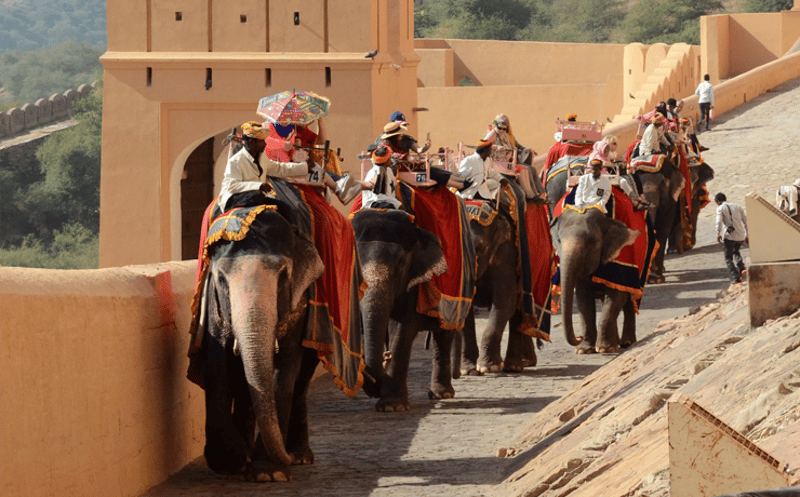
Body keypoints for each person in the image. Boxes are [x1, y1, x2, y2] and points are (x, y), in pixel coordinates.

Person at [218, 121, 309, 213]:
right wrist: (259, 186)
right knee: (258, 195)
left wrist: (305, 167)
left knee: (285, 207)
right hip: (234, 198)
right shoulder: (236, 161)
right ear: (252, 142)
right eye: (262, 141)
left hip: (256, 196)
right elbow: (232, 186)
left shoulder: (263, 157)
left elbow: (279, 168)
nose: (265, 144)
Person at [714, 192, 748, 286]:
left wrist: (718, 234)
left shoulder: (720, 208)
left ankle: (736, 278)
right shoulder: (737, 206)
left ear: (717, 201)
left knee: (728, 258)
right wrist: (747, 235)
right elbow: (745, 221)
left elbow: (718, 222)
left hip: (730, 236)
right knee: (736, 251)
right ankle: (742, 269)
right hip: (741, 235)